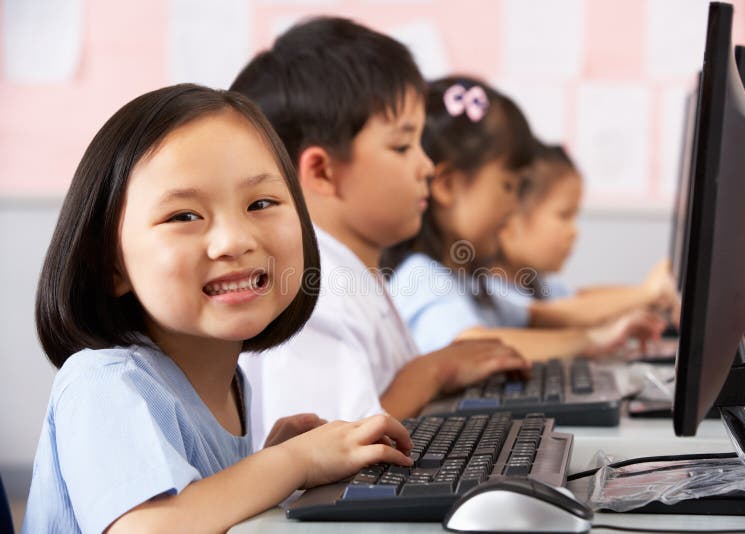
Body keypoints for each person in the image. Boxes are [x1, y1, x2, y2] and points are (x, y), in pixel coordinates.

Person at [23, 84, 412, 533]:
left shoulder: (231, 383)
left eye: (261, 203)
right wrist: (294, 463)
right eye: (184, 216)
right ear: (111, 266)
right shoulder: (105, 382)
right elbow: (148, 528)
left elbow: (203, 507)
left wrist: (267, 462)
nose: (234, 241)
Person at [231, 17, 529, 449]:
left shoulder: (347, 269)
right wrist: (430, 373)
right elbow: (330, 453)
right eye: (403, 146)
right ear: (323, 170)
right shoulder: (309, 294)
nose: (425, 166)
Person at [384, 76, 665, 360]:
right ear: (447, 186)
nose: (514, 206)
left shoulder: (468, 282)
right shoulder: (419, 276)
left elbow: (543, 316)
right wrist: (590, 337)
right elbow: (467, 347)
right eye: (508, 186)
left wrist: (610, 328)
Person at [490, 143, 678, 328]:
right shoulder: (488, 289)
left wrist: (653, 296)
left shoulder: (533, 283)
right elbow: (554, 314)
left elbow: (577, 299)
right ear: (510, 218)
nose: (575, 231)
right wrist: (646, 293)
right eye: (564, 215)